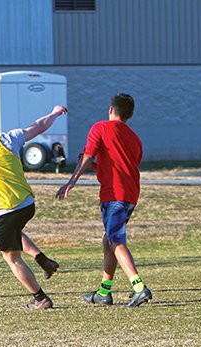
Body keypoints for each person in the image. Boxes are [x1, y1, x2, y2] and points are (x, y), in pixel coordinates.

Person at [0, 105, 67, 309]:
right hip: (27, 203)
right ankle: (43, 260)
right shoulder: (8, 138)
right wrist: (54, 113)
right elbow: (38, 126)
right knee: (15, 232)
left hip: (5, 209)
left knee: (12, 258)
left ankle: (40, 298)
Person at [56, 93, 152, 307]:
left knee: (115, 240)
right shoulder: (135, 138)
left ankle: (139, 288)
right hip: (130, 194)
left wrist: (71, 182)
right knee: (107, 239)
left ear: (111, 110)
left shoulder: (99, 128)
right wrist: (97, 168)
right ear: (130, 115)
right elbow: (125, 166)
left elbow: (88, 155)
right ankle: (103, 292)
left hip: (114, 194)